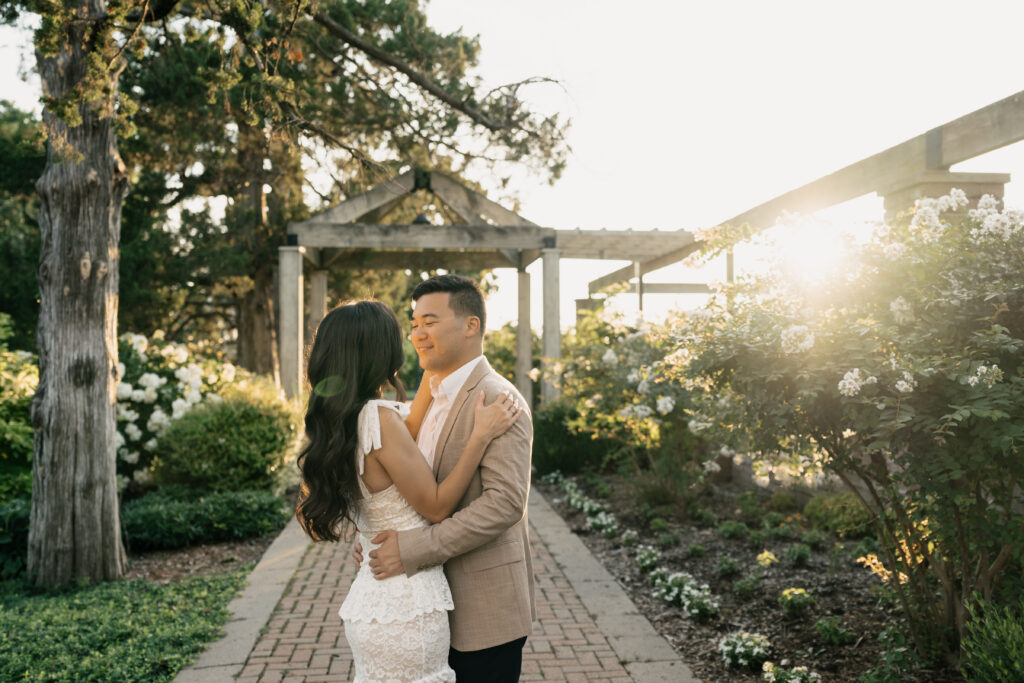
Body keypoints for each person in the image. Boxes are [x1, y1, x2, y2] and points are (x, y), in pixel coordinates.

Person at [295, 299, 522, 682]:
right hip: (405, 603)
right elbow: (436, 507)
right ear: (379, 351)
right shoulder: (379, 419)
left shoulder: (348, 418)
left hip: (375, 597)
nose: (413, 337)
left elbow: (410, 430)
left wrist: (435, 369)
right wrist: (480, 436)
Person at [359, 274, 536, 682]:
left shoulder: (497, 398)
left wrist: (413, 549)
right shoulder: (425, 398)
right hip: (423, 607)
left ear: (471, 325)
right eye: (414, 323)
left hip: (483, 611)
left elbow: (504, 505)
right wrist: (372, 536)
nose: (418, 334)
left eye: (430, 322)